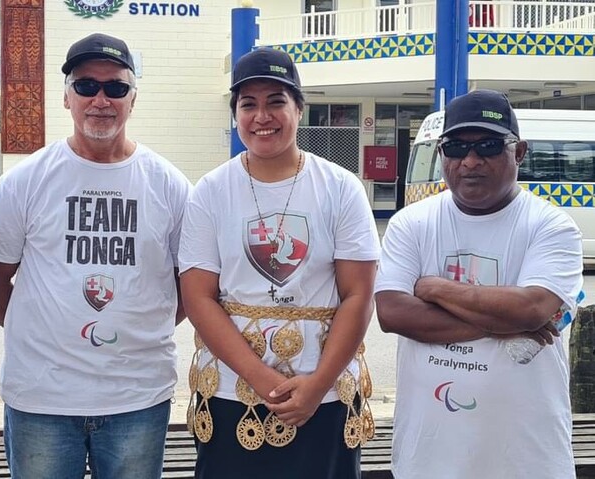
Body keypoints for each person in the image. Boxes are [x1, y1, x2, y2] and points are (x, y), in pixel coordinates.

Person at [0, 32, 191, 479]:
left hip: (138, 397)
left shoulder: (169, 184)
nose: (101, 99)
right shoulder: (26, 181)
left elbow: (190, 286)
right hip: (41, 399)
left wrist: (142, 328)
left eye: (115, 87)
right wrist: (42, 332)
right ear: (66, 97)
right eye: (85, 86)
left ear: (133, 99)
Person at [178, 47, 380, 479]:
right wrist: (262, 379)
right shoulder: (211, 191)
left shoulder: (341, 188)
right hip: (233, 391)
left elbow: (358, 294)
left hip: (324, 393)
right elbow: (198, 298)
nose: (261, 116)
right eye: (248, 104)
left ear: (299, 109)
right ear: (235, 114)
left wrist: (317, 386)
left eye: (276, 102)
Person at [375, 89, 582, 479]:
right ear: (441, 154)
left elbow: (531, 308)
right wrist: (508, 321)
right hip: (430, 456)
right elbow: (393, 314)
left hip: (526, 457)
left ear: (519, 152)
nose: (470, 161)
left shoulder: (551, 226)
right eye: (455, 147)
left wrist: (435, 289)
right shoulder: (411, 223)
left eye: (488, 146)